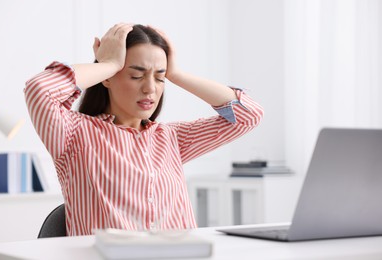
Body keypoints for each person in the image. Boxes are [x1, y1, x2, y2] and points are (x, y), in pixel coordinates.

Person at [24, 23, 264, 236]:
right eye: (137, 75)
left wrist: (176, 74)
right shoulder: (74, 133)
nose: (150, 89)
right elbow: (39, 89)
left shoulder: (171, 138)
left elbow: (248, 115)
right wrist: (108, 64)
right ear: (107, 78)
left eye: (159, 78)